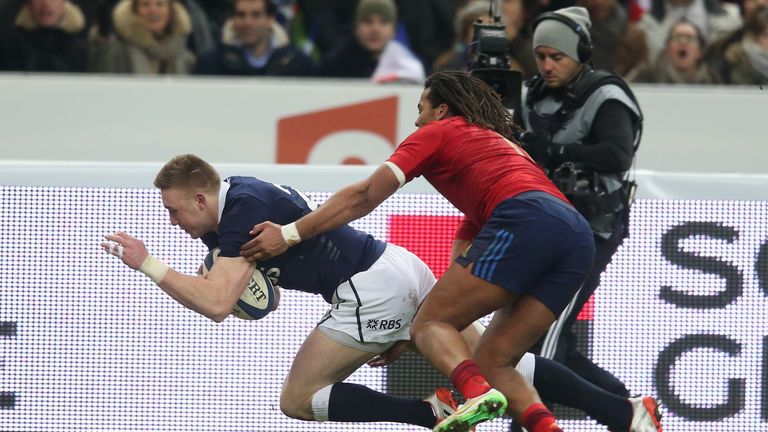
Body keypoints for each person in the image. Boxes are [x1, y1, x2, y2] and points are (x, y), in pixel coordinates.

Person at [103, 154, 663, 432]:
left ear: (201, 199)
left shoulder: (240, 211)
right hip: (398, 266)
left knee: (297, 400)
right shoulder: (246, 194)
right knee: (496, 359)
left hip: (368, 290)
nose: (172, 221)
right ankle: (626, 413)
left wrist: (146, 262)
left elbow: (220, 304)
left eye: (174, 210)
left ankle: (425, 412)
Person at [238, 68, 653, 432]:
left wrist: (290, 233)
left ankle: (473, 394)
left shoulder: (437, 131)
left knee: (429, 324)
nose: (416, 119)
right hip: (574, 233)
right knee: (496, 359)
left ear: (441, 110)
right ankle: (625, 414)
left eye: (421, 107)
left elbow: (364, 195)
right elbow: (466, 245)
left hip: (527, 219)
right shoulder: (497, 148)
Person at [518, 3, 644, 417]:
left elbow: (617, 154)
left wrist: (554, 150)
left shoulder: (606, 95)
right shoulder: (530, 95)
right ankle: (628, 410)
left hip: (592, 229)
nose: (548, 66)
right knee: (551, 344)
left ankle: (536, 425)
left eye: (558, 57)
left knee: (542, 339)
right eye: (541, 57)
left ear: (581, 54)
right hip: (546, 227)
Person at [193, 0, 317, 77]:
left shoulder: (298, 64)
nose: (248, 22)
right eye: (241, 15)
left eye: (256, 15)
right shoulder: (212, 63)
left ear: (270, 19)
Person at [320, 0, 424, 82]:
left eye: (383, 22)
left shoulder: (408, 66)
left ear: (394, 30)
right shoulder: (334, 67)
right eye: (367, 21)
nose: (375, 29)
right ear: (356, 28)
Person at [88, 0, 195, 74]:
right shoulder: (113, 51)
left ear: (171, 12)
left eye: (160, 4)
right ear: (134, 12)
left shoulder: (185, 58)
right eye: (145, 4)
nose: (153, 10)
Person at [0, 0, 88, 72]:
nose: (46, 3)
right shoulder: (11, 43)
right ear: (28, 4)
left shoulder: (76, 47)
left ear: (64, 4)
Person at [628, 18, 721, 83]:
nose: (683, 42)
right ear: (667, 48)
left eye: (690, 38)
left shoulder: (713, 79)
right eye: (677, 37)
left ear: (700, 51)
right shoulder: (648, 75)